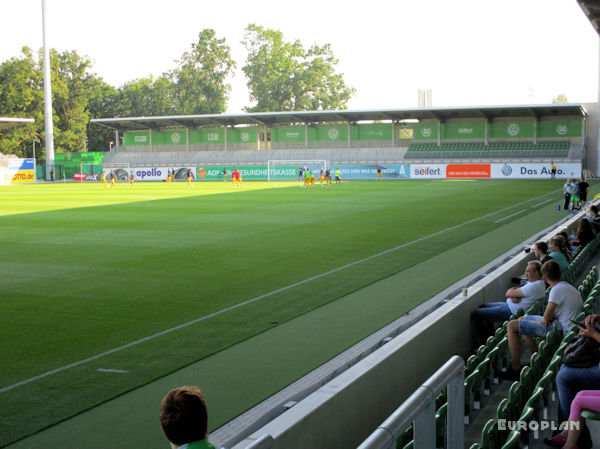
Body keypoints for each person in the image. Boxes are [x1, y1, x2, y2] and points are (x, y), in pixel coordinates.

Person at [500, 259, 582, 380]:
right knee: (522, 319)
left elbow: (546, 316)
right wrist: (548, 317)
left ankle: (515, 368)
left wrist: (548, 318)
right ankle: (536, 357)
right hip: (561, 324)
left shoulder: (556, 290)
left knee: (511, 326)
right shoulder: (567, 287)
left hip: (560, 329)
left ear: (544, 277)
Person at [472, 260, 545, 344]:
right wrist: (515, 295)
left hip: (511, 310)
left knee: (477, 313)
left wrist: (513, 294)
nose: (525, 274)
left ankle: (485, 344)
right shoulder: (537, 283)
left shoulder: (534, 286)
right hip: (509, 305)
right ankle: (490, 339)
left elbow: (508, 293)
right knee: (483, 306)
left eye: (528, 271)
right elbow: (514, 293)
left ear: (536, 273)